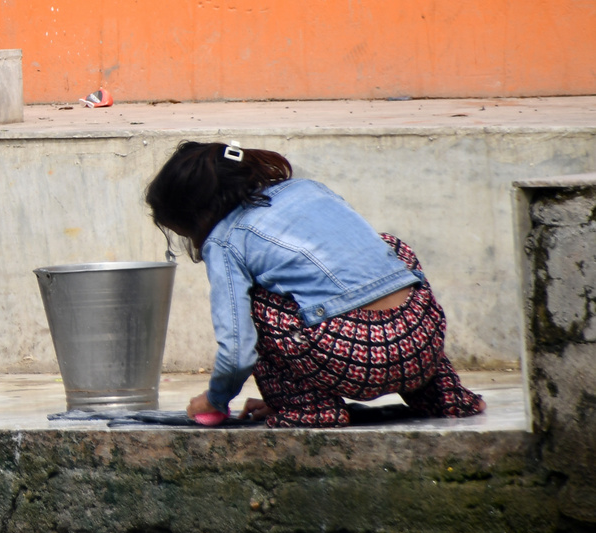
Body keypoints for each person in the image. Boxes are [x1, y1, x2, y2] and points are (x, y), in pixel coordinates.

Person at [144, 141, 486, 428]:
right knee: (389, 249)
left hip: (361, 359)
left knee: (256, 305)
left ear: (194, 217)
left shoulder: (224, 240)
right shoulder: (307, 189)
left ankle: (308, 409)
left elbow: (237, 352)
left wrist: (215, 399)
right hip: (420, 341)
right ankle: (444, 395)